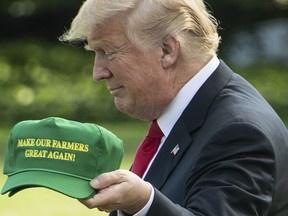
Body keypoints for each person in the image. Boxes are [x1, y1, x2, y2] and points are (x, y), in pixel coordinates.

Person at [60, 0, 288, 215]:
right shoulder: (195, 112)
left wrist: (144, 203)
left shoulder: (240, 132)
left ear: (167, 50)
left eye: (108, 52)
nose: (98, 73)